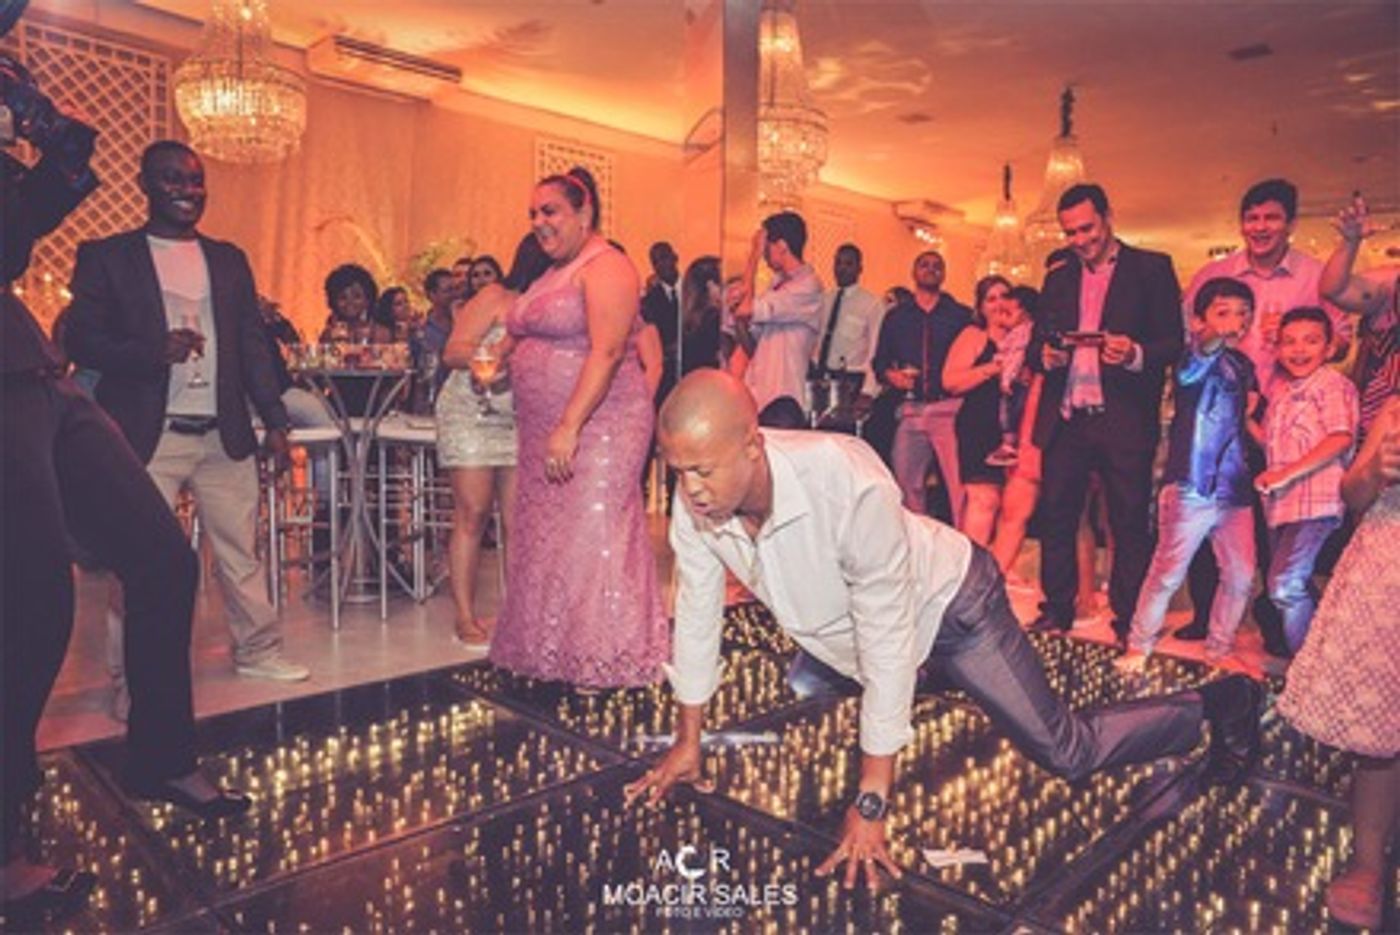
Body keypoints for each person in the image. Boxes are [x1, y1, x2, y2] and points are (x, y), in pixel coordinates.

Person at [625, 370, 1262, 894]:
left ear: (753, 445)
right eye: (677, 471)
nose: (690, 490)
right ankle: (928, 691)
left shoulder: (845, 483)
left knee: (1065, 751)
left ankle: (1220, 702)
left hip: (956, 609)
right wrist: (688, 740)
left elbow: (886, 636)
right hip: (860, 637)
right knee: (809, 679)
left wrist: (872, 802)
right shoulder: (698, 502)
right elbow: (699, 610)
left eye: (702, 470)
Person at [1, 86, 243, 922]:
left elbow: (24, 225)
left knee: (164, 559)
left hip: (35, 370)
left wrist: (41, 124)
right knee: (33, 602)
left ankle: (162, 758)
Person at [65, 140, 309, 685]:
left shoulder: (228, 259)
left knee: (241, 552)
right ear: (144, 184)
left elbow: (251, 345)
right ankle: (132, 679)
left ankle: (258, 651)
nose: (187, 190)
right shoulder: (108, 256)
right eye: (172, 179)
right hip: (146, 435)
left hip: (223, 433)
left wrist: (274, 419)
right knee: (139, 560)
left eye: (196, 180)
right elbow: (80, 339)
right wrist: (152, 351)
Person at [490, 166, 670, 688]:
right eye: (532, 213)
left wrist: (570, 424)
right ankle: (552, 650)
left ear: (584, 212)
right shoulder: (549, 274)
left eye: (550, 211)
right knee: (548, 536)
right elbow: (524, 331)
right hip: (541, 428)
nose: (538, 222)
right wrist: (504, 358)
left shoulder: (608, 266)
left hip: (601, 423)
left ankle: (608, 654)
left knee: (595, 531)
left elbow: (609, 351)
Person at [1178, 178, 1346, 650]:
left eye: (1271, 217)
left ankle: (1276, 626)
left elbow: (1339, 342)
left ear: (1290, 223)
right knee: (1210, 509)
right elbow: (1190, 338)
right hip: (1218, 410)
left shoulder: (1314, 276)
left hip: (1281, 412)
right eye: (1252, 218)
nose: (1260, 227)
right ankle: (1205, 616)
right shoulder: (1215, 275)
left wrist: (1291, 340)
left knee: (1274, 521)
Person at [1027, 183, 1183, 644]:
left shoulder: (1152, 268)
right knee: (1056, 517)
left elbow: (1173, 343)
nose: (1080, 240)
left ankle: (1129, 617)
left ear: (1108, 217)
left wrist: (1135, 352)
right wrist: (1045, 356)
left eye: (1087, 229)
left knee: (1128, 522)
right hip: (1067, 419)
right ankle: (1057, 609)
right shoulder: (1058, 276)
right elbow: (1037, 344)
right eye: (1071, 232)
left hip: (1124, 418)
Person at [1276, 392, 1399, 930]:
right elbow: (1352, 493)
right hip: (1389, 571)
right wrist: (1375, 469)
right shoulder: (1396, 407)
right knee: (1382, 732)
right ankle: (1368, 863)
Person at [1117, 279, 1261, 673]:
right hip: (1191, 484)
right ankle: (1138, 645)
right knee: (1167, 573)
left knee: (1241, 575)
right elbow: (1198, 359)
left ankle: (1220, 648)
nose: (1235, 321)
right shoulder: (1192, 358)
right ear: (1198, 321)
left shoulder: (1245, 366)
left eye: (1243, 314)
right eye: (1223, 312)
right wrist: (1214, 335)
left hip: (1235, 488)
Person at [437, 235, 550, 647]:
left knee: (519, 520)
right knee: (473, 511)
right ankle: (464, 617)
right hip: (471, 411)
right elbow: (452, 351)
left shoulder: (553, 311)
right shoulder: (496, 297)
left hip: (518, 417)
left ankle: (518, 612)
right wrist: (490, 358)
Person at [1256, 307, 1358, 654]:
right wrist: (1243, 419)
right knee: (1288, 584)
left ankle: (1307, 668)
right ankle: (1317, 657)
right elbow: (1273, 444)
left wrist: (1284, 474)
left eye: (1311, 341)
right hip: (1283, 505)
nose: (1299, 350)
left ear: (1329, 348)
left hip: (1316, 501)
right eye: (1289, 342)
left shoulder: (1332, 385)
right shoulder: (1283, 393)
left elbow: (1340, 437)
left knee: (1285, 586)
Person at [871, 251, 974, 526]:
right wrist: (891, 376)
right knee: (906, 483)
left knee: (958, 487)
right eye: (924, 265)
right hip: (912, 409)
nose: (930, 269)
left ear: (944, 273)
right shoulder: (896, 317)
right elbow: (880, 362)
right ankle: (919, 543)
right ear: (914, 272)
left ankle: (964, 542)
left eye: (937, 265)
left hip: (949, 409)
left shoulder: (960, 316)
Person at [941, 275, 1013, 544]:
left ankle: (999, 564)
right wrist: (993, 368)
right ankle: (973, 562)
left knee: (1012, 505)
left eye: (1004, 296)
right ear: (981, 307)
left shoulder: (1025, 338)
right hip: (979, 426)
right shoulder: (973, 336)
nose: (999, 304)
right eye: (991, 299)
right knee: (984, 499)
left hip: (1016, 431)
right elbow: (950, 381)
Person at [732, 211, 824, 414]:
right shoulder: (776, 285)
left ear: (782, 246)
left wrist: (753, 257)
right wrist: (738, 320)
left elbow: (747, 309)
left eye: (766, 247)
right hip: (758, 393)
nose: (764, 254)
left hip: (783, 397)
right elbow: (751, 343)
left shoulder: (808, 286)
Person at [811, 243, 885, 398]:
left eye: (848, 264)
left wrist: (869, 390)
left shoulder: (871, 304)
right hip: (820, 376)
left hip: (851, 379)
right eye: (838, 263)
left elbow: (875, 350)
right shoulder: (824, 300)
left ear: (860, 269)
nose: (842, 269)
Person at [640, 241, 682, 405]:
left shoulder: (693, 290)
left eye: (664, 258)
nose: (661, 265)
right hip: (666, 374)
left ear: (675, 257)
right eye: (655, 262)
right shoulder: (649, 301)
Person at [320, 262, 390, 344]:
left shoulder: (381, 333)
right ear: (333, 302)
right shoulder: (329, 335)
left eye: (357, 296)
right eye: (343, 297)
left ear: (368, 300)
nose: (350, 302)